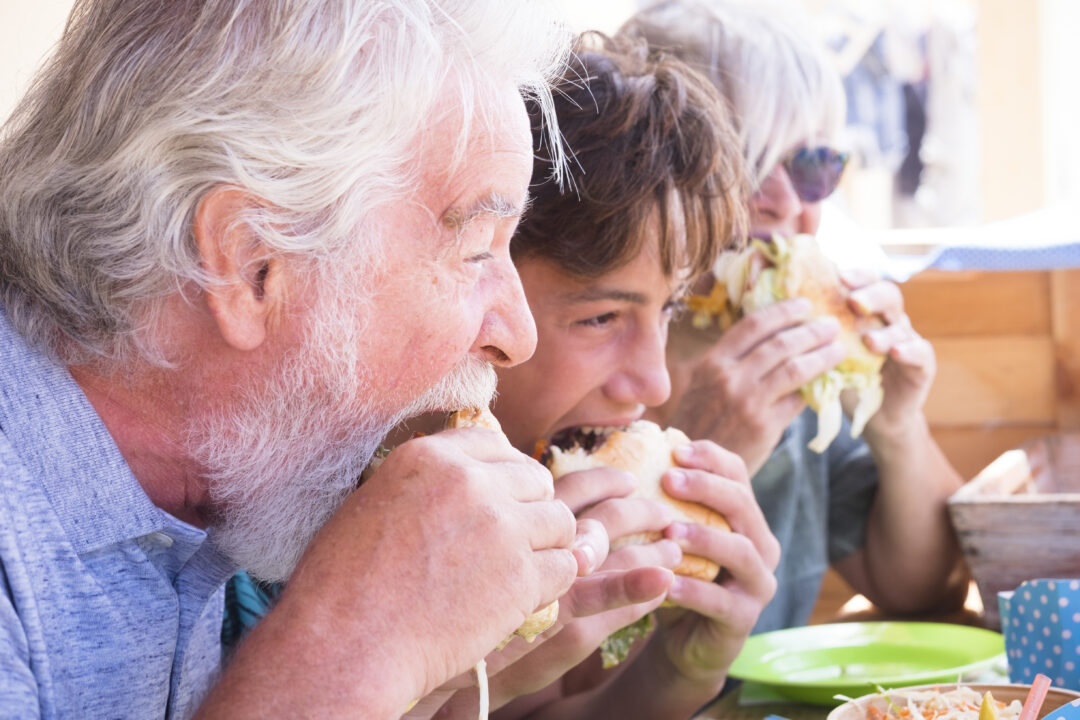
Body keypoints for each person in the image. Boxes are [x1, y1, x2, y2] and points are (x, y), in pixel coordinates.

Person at [0, 1, 654, 717]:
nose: (515, 333)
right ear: (252, 266)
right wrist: (351, 650)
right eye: (474, 252)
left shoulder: (218, 498)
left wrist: (427, 682)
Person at [435, 33, 780, 718]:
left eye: (670, 307)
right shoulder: (370, 504)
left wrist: (678, 670)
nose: (653, 383)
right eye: (601, 318)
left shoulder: (550, 497)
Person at [620, 0, 968, 634]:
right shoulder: (582, 385)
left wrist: (895, 425)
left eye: (813, 168)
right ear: (638, 177)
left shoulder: (801, 380)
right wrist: (700, 461)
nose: (784, 203)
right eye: (746, 164)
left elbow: (923, 588)